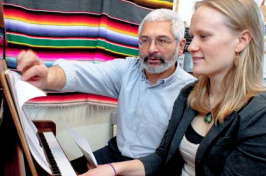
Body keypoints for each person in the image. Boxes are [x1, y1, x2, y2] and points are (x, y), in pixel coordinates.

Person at [80, 0, 266, 175]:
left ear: (241, 40)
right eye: (192, 37)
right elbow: (162, 156)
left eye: (204, 36)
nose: (192, 47)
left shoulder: (259, 115)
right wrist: (113, 169)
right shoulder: (190, 94)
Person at [16, 8, 196, 173]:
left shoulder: (191, 91)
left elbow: (169, 158)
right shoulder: (127, 69)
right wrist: (47, 76)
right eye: (145, 40)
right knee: (52, 170)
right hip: (114, 153)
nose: (151, 49)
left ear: (180, 46)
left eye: (162, 41)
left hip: (152, 167)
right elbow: (81, 74)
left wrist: (114, 170)